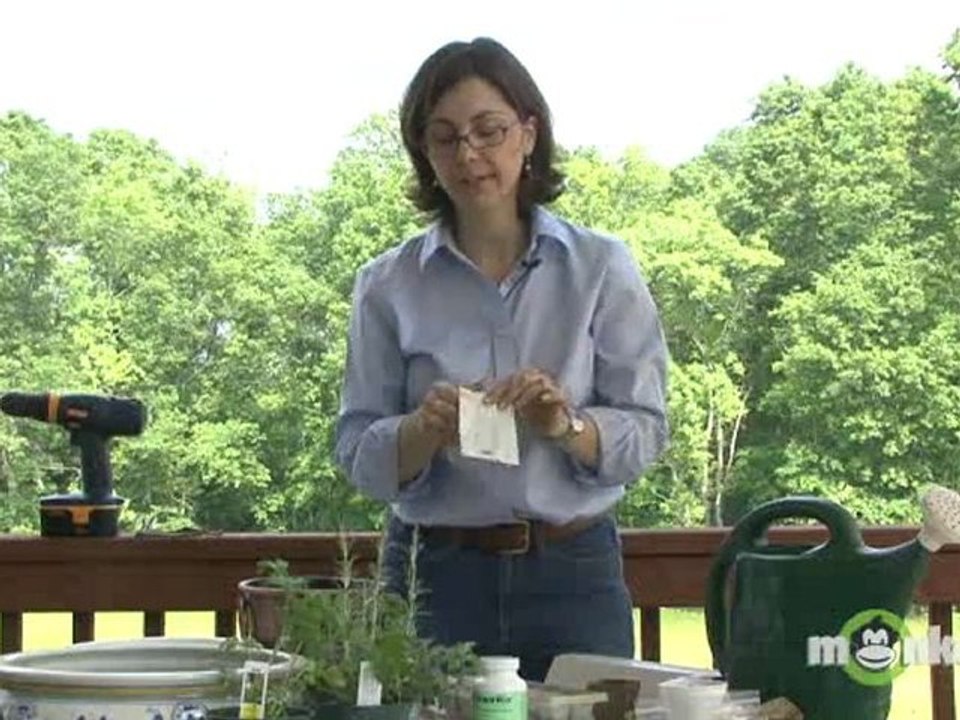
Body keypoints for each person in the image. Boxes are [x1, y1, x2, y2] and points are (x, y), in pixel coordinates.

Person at [335, 36, 669, 681]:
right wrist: (419, 431)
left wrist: (567, 427)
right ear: (424, 154)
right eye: (444, 137)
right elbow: (356, 449)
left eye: (489, 130)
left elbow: (647, 430)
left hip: (575, 569)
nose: (469, 154)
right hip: (433, 575)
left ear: (528, 135)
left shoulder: (602, 267)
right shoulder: (385, 284)